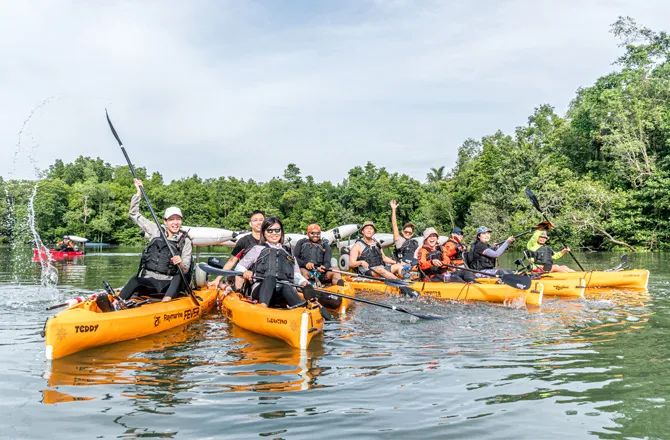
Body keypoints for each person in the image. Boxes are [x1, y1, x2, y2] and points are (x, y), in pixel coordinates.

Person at [104, 179, 192, 310]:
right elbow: (134, 214)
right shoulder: (155, 230)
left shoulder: (186, 241)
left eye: (178, 219)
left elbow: (185, 268)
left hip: (170, 283)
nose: (175, 223)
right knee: (135, 279)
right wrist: (138, 193)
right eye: (172, 219)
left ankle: (165, 304)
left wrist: (180, 263)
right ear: (165, 221)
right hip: (150, 280)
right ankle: (116, 304)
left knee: (180, 274)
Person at [235, 217, 312, 308]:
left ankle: (302, 309)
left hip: (283, 291)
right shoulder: (257, 249)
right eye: (270, 231)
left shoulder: (288, 251)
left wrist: (303, 281)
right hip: (262, 289)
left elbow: (296, 274)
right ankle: (263, 308)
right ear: (264, 232)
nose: (274, 233)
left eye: (277, 230)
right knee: (270, 278)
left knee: (286, 284)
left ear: (281, 231)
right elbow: (238, 267)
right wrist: (245, 272)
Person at [208, 210, 265, 289]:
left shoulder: (270, 240)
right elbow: (232, 261)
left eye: (261, 220)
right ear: (250, 224)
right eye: (255, 220)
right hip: (244, 275)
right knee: (240, 275)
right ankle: (238, 293)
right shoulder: (243, 241)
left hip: (263, 275)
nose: (259, 223)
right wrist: (217, 279)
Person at [390, 200, 419, 265]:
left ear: (412, 234)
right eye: (406, 232)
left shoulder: (414, 243)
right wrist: (394, 210)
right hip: (403, 265)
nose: (407, 233)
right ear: (402, 232)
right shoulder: (399, 240)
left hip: (414, 264)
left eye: (410, 232)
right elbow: (394, 225)